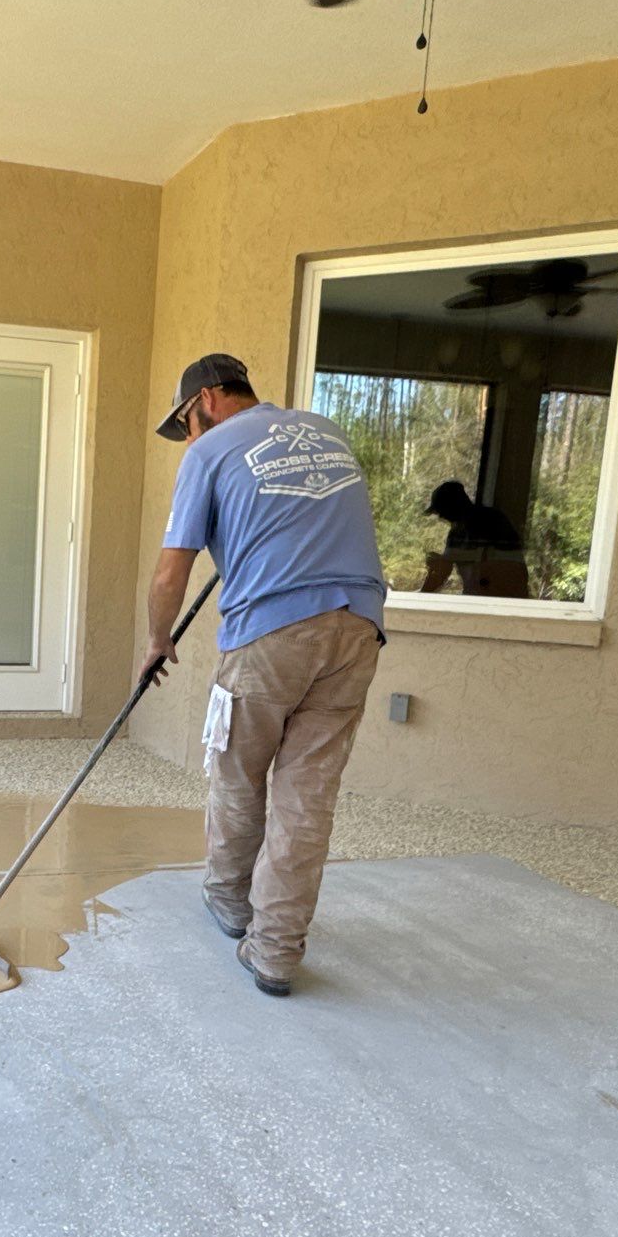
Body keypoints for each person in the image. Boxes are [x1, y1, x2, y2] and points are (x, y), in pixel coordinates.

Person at [140, 353, 385, 997]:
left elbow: (172, 573)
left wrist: (158, 640)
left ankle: (229, 901)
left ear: (210, 399)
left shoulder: (211, 450)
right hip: (358, 629)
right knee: (307, 797)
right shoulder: (326, 432)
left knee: (236, 769)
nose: (188, 439)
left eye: (186, 423)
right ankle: (276, 953)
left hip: (269, 636)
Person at [416, 480, 529, 597]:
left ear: (454, 506)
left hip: (504, 603)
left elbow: (508, 570)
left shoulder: (492, 521)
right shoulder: (455, 534)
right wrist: (420, 596)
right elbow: (443, 570)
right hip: (474, 601)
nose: (441, 517)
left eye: (442, 511)